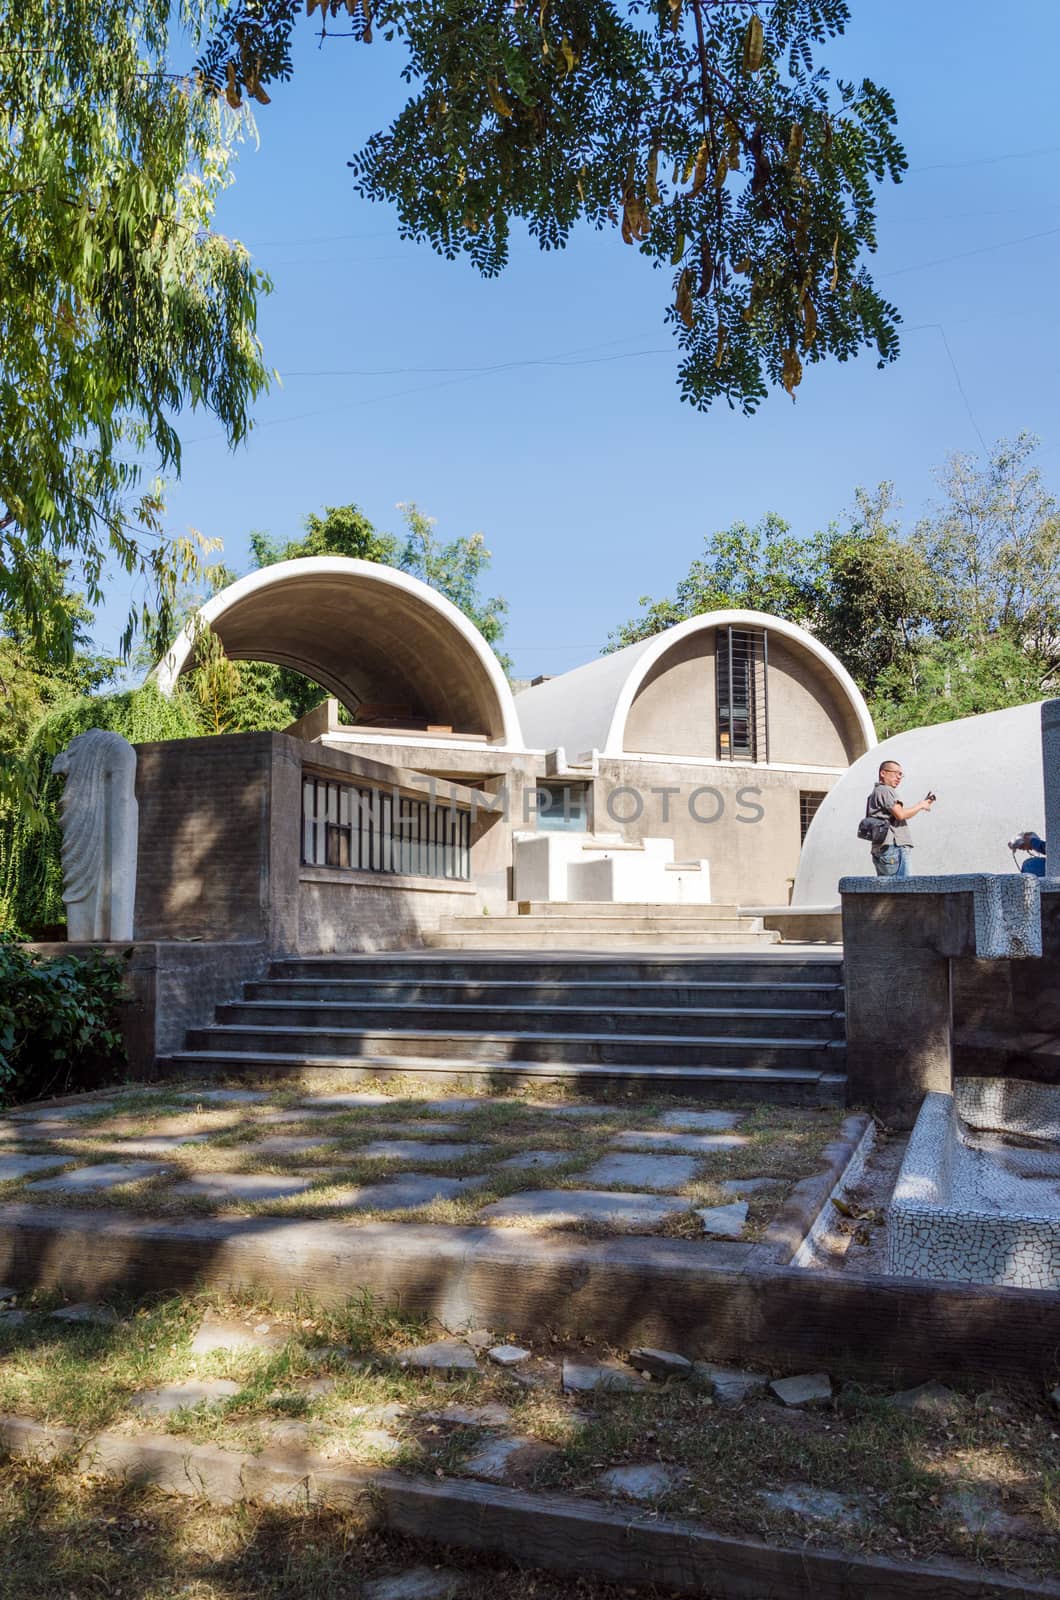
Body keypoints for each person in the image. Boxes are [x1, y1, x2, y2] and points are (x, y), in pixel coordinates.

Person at [865, 759, 935, 879]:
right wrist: (921, 805)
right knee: (903, 891)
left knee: (889, 893)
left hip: (882, 849)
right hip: (894, 847)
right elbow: (900, 814)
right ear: (883, 773)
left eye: (901, 774)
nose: (899, 777)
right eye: (896, 773)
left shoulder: (875, 793)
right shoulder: (885, 790)